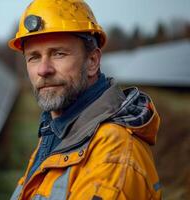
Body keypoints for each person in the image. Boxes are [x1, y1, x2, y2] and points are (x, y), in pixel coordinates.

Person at [8, 0, 162, 199]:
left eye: (58, 53)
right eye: (34, 57)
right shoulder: (57, 131)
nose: (43, 70)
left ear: (92, 61)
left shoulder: (113, 155)